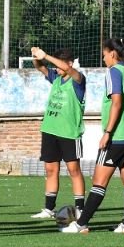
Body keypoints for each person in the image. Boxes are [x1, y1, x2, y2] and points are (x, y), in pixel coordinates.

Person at [61, 38, 124, 234]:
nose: (103, 58)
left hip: (118, 136)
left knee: (99, 182)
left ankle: (81, 224)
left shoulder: (114, 71)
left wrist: (107, 132)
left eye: (105, 54)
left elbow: (117, 102)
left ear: (113, 54)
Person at [29, 46, 86, 220]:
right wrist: (36, 55)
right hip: (50, 130)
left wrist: (46, 55)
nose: (56, 68)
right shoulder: (56, 78)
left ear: (70, 63)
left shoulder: (78, 80)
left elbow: (67, 69)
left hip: (69, 133)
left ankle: (80, 208)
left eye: (60, 65)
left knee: (74, 170)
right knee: (50, 170)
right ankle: (49, 208)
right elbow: (40, 66)